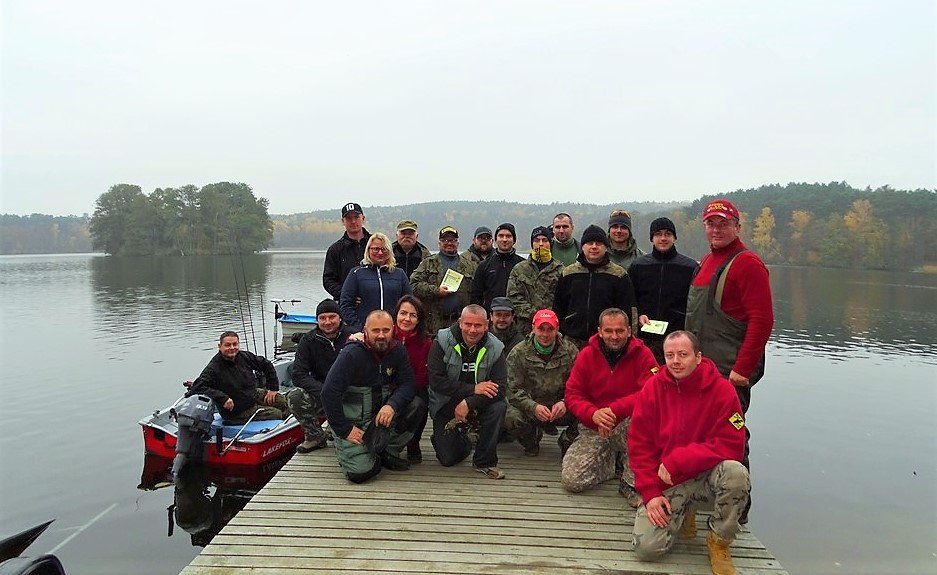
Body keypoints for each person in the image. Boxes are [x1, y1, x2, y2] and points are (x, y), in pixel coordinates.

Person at [629, 330, 749, 575]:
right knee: (647, 549)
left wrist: (679, 460)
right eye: (670, 355)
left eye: (683, 355)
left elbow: (732, 445)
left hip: (707, 478)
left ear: (698, 357)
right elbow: (639, 446)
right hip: (668, 482)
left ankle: (719, 540)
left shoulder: (723, 390)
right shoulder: (652, 389)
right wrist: (650, 493)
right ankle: (684, 514)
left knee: (736, 473)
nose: (675, 361)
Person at [684, 199, 773, 524]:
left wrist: (742, 370)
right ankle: (706, 497)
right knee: (697, 432)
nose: (716, 229)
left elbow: (762, 320)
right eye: (711, 223)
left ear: (737, 226)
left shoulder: (748, 263)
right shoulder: (706, 262)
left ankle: (737, 512)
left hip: (730, 372)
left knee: (732, 438)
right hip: (701, 369)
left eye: (724, 223)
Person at [561, 308, 658, 505]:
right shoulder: (586, 355)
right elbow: (572, 394)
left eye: (620, 330)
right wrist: (593, 414)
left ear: (629, 331)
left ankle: (630, 483)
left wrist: (614, 411)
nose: (614, 336)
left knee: (644, 424)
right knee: (572, 480)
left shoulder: (644, 355)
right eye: (609, 331)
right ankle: (614, 463)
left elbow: (651, 392)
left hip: (628, 423)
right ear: (600, 331)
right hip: (594, 425)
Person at [320, 310, 427, 483]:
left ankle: (388, 451)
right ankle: (362, 452)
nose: (381, 335)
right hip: (355, 423)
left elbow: (408, 384)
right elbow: (328, 393)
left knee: (417, 404)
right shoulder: (351, 354)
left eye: (386, 330)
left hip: (381, 418)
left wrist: (392, 405)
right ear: (365, 331)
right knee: (361, 473)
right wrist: (345, 430)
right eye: (375, 330)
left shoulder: (398, 351)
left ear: (393, 329)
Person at [428, 304, 508, 480]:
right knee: (447, 459)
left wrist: (468, 402)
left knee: (499, 406)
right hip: (447, 402)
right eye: (468, 324)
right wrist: (472, 389)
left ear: (486, 325)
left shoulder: (496, 347)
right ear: (460, 322)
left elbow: (500, 388)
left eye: (478, 325)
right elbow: (436, 381)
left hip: (479, 403)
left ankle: (484, 462)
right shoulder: (441, 341)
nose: (472, 330)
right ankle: (464, 439)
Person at [504, 309, 580, 456]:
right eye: (541, 329)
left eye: (550, 329)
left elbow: (580, 385)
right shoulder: (518, 352)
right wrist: (533, 407)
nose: (545, 334)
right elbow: (512, 389)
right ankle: (531, 439)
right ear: (533, 328)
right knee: (509, 416)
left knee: (589, 410)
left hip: (561, 408)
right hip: (532, 408)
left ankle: (567, 439)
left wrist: (565, 402)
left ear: (557, 329)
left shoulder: (571, 351)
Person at [286, 299, 355, 453]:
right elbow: (298, 375)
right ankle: (315, 436)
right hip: (322, 392)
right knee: (295, 396)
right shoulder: (308, 340)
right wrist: (326, 391)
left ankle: (340, 428)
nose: (327, 322)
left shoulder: (352, 335)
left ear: (340, 318)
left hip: (350, 392)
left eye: (332, 317)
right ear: (317, 320)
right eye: (322, 318)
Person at [553, 224, 637, 348]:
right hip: (571, 341)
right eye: (590, 243)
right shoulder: (568, 273)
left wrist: (631, 339)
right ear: (582, 247)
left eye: (598, 243)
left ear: (606, 247)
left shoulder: (618, 275)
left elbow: (629, 310)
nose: (594, 247)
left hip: (607, 341)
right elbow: (558, 307)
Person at [628, 217, 699, 364]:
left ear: (674, 237)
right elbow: (630, 298)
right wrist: (638, 315)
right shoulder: (638, 266)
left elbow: (695, 303)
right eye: (658, 234)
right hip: (646, 337)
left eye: (668, 234)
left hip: (678, 336)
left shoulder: (689, 267)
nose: (663, 238)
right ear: (652, 238)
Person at [188, 331, 289, 423]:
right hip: (237, 411)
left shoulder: (244, 356)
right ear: (220, 346)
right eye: (227, 345)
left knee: (283, 401)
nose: (232, 348)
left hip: (252, 395)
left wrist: (272, 388)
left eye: (235, 344)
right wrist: (222, 398)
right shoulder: (213, 367)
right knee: (277, 413)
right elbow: (197, 387)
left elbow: (266, 364)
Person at [410, 226, 478, 335]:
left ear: (457, 243)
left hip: (461, 323)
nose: (449, 243)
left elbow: (477, 293)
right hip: (433, 324)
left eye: (452, 240)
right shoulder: (428, 263)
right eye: (445, 240)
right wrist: (436, 291)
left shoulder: (469, 265)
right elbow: (413, 285)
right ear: (439, 243)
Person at [340, 232, 412, 330]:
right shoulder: (356, 273)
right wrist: (359, 328)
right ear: (368, 250)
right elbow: (346, 305)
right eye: (376, 249)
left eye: (384, 249)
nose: (380, 253)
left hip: (393, 330)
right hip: (364, 331)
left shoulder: (399, 274)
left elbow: (408, 303)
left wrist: (398, 328)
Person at [393, 295, 434, 464]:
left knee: (420, 402)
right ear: (396, 314)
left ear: (419, 319)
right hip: (387, 387)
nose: (407, 319)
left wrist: (403, 390)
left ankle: (413, 442)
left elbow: (424, 377)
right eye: (403, 313)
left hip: (413, 388)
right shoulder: (384, 335)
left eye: (413, 315)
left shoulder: (426, 342)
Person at [507, 226, 564, 335]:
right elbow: (513, 298)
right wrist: (536, 315)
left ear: (550, 243)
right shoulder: (519, 269)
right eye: (537, 240)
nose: (541, 244)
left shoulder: (561, 270)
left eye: (545, 240)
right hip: (525, 329)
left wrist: (548, 317)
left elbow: (565, 301)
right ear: (532, 244)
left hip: (552, 328)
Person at [323, 202, 372, 300]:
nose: (353, 221)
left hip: (374, 300)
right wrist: (347, 295)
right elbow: (328, 280)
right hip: (346, 304)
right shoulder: (335, 250)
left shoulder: (376, 244)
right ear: (343, 221)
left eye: (356, 217)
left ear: (363, 218)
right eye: (349, 218)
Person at [471, 223, 524, 311]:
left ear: (514, 240)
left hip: (517, 314)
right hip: (491, 315)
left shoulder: (522, 264)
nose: (504, 239)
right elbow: (476, 296)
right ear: (495, 239)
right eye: (501, 236)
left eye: (508, 236)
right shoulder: (484, 265)